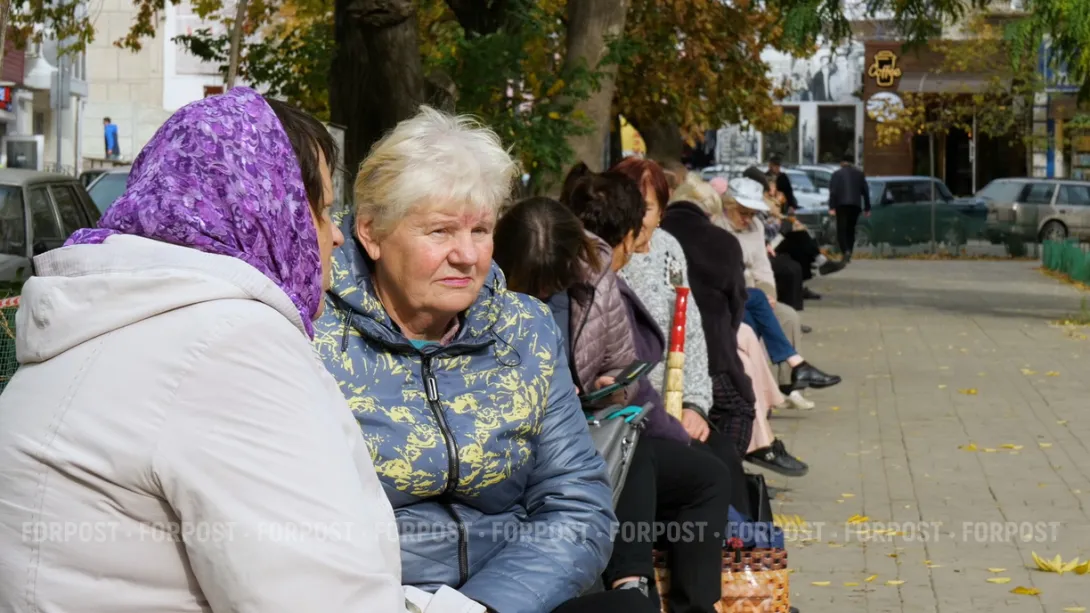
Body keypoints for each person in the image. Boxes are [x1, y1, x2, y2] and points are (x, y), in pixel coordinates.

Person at [0, 88, 459, 612]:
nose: (334, 237)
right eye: (324, 211)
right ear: (267, 211)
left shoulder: (103, 315)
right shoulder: (229, 346)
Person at [313, 106, 620, 613]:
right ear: (370, 233)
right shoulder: (312, 332)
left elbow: (576, 502)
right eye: (440, 232)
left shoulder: (526, 330)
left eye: (480, 230)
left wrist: (483, 605)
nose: (468, 256)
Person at [511, 175, 732, 613]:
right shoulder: (485, 297)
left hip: (596, 422)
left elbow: (624, 366)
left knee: (705, 472)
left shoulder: (596, 275)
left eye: (554, 281)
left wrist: (606, 388)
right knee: (636, 456)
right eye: (537, 282)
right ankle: (632, 588)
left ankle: (682, 603)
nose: (544, 293)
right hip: (541, 441)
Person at [828, 152, 871, 261]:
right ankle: (849, 251)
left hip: (841, 205)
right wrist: (867, 207)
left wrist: (832, 206)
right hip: (855, 205)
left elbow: (833, 191)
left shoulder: (836, 174)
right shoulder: (859, 174)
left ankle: (845, 251)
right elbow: (865, 191)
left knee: (841, 229)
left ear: (842, 163)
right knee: (851, 229)